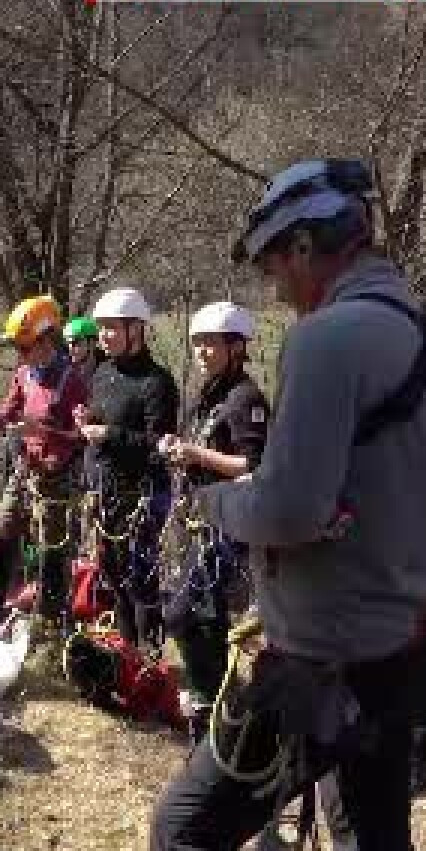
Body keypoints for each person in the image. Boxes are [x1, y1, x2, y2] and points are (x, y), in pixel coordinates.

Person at [152, 159, 426, 851]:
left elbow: (290, 508)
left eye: (273, 267)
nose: (276, 289)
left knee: (188, 831)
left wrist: (214, 500)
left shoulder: (329, 338)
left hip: (323, 655)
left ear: (303, 246)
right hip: (401, 642)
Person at [157, 301, 268, 742]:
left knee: (188, 612)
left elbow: (252, 464)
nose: (202, 351)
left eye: (212, 343)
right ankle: (214, 701)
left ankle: (211, 697)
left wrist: (197, 454)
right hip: (199, 518)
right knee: (199, 614)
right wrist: (176, 445)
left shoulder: (246, 400)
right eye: (198, 343)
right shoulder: (207, 396)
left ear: (237, 347)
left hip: (229, 524)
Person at [0, 296, 90, 633]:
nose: (20, 355)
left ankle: (48, 631)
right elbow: (10, 411)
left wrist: (42, 430)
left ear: (47, 339)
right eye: (17, 349)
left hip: (57, 480)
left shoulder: (72, 380)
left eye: (24, 347)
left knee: (53, 558)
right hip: (24, 474)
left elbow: (81, 436)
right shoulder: (24, 374)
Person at [81, 286, 179, 653]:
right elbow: (100, 420)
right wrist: (88, 422)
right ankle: (126, 652)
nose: (103, 336)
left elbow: (160, 444)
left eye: (111, 328)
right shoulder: (102, 372)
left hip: (142, 493)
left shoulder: (156, 382)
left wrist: (110, 433)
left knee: (142, 580)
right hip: (105, 489)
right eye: (101, 328)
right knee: (114, 578)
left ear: (136, 330)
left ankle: (149, 656)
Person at [64, 315, 102, 384]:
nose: (70, 350)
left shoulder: (105, 374)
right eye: (67, 344)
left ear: (91, 343)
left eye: (75, 343)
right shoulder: (66, 375)